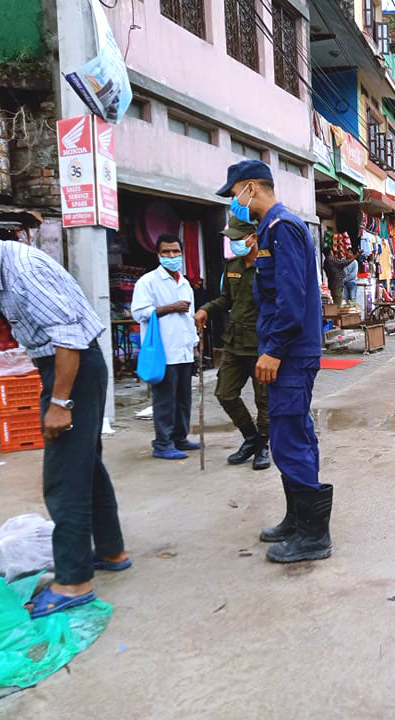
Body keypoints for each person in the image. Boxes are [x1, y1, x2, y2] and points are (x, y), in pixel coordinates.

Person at [0, 202, 128, 618]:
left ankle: (73, 581)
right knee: (86, 465)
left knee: (63, 477)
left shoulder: (23, 272)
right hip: (68, 367)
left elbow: (69, 339)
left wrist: (59, 403)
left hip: (71, 369)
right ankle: (110, 551)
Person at [216, 160, 330, 564]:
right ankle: (297, 520)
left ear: (250, 188)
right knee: (291, 436)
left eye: (234, 195)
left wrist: (274, 350)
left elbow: (291, 300)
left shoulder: (282, 229)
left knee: (290, 437)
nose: (234, 204)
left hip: (291, 355)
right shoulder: (270, 229)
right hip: (290, 352)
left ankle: (313, 537)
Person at [194, 217, 270, 471]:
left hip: (261, 345)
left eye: (239, 238)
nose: (234, 243)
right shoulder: (232, 265)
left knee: (265, 401)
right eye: (232, 238)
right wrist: (205, 309)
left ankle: (263, 445)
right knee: (224, 394)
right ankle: (250, 437)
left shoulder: (269, 264)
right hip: (235, 342)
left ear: (254, 237)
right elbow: (226, 299)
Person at [131, 233, 200, 460]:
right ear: (158, 255)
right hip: (163, 351)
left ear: (181, 253)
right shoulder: (148, 282)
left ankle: (180, 437)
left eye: (175, 252)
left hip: (183, 349)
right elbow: (139, 312)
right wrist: (169, 308)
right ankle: (162, 443)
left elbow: (189, 317)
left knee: (183, 398)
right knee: (164, 400)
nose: (171, 256)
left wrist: (195, 346)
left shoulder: (185, 283)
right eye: (166, 252)